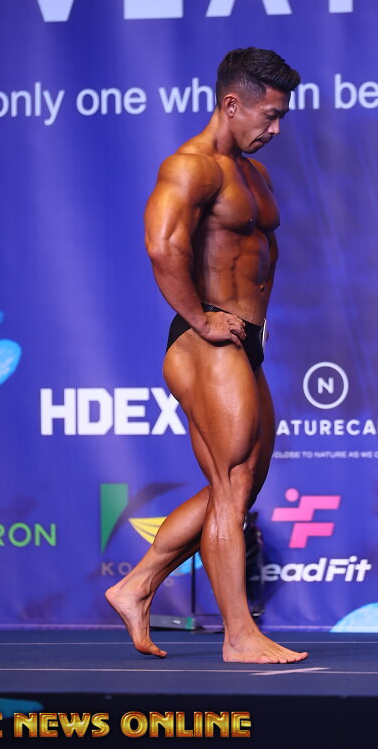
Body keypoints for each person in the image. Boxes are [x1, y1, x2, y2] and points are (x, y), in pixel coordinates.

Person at [106, 48, 308, 664]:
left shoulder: (253, 173)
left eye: (282, 116)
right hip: (205, 340)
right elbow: (162, 245)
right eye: (269, 115)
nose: (276, 128)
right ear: (232, 103)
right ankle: (239, 635)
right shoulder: (190, 166)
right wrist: (200, 319)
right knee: (231, 484)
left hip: (245, 339)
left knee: (242, 482)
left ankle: (136, 585)